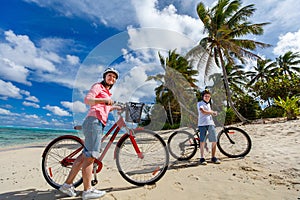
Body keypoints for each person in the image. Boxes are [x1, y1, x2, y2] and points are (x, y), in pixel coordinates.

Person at [59, 67, 120, 199]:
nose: (112, 78)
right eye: (110, 75)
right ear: (105, 76)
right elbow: (88, 100)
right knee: (90, 157)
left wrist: (115, 107)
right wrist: (104, 101)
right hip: (94, 121)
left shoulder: (107, 93)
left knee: (83, 157)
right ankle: (87, 190)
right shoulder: (98, 86)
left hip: (97, 122)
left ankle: (67, 185)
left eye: (114, 77)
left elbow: (105, 108)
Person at [197, 89, 221, 165]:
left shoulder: (209, 104)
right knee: (202, 141)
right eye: (206, 96)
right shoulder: (200, 103)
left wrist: (213, 113)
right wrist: (212, 112)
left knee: (214, 140)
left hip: (210, 123)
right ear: (203, 97)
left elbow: (208, 112)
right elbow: (203, 111)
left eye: (208, 96)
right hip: (202, 124)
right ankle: (202, 158)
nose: (207, 97)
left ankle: (213, 157)